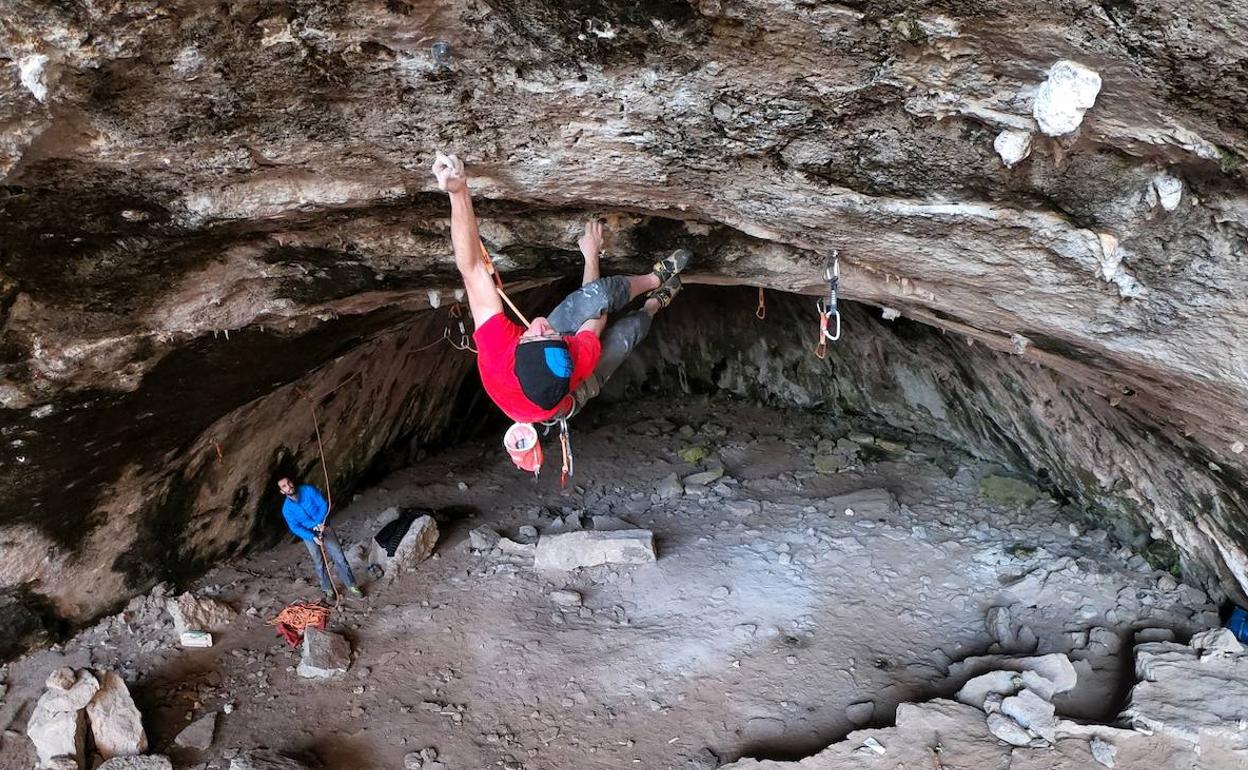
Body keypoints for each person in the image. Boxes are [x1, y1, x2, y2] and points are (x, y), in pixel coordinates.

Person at [430, 152, 689, 431]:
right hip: (569, 399)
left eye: (536, 336)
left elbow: (472, 269)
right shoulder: (577, 361)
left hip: (525, 376)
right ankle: (654, 305)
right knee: (629, 332)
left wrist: (458, 192)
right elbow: (594, 323)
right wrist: (592, 261)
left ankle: (653, 279)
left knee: (599, 296)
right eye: (550, 334)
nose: (541, 325)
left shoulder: (498, 351)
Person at [277, 477, 363, 600]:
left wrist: (321, 522)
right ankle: (328, 589)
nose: (288, 486)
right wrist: (312, 537)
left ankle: (351, 585)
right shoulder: (287, 509)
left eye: (289, 483)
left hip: (323, 525)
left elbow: (323, 505)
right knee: (318, 561)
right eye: (284, 486)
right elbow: (295, 527)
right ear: (282, 491)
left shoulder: (308, 490)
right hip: (309, 533)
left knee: (339, 557)